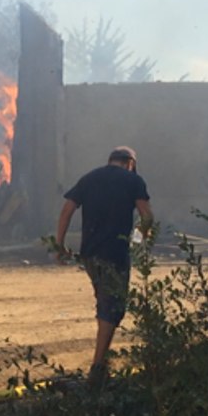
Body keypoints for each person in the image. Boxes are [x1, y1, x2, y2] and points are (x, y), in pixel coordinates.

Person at [54, 146, 153, 386]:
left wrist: (60, 245)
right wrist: (138, 241)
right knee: (113, 307)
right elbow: (147, 217)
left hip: (90, 253)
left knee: (105, 301)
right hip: (115, 253)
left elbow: (66, 210)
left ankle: (101, 364)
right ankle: (98, 369)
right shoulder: (133, 180)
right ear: (130, 162)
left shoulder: (89, 178)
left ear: (110, 161)